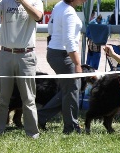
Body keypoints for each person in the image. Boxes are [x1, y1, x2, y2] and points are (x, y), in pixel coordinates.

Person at [0, 0, 43, 139]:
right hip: (6, 54)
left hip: (26, 55)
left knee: (28, 97)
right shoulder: (4, 2)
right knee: (2, 96)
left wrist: (22, 1)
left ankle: (32, 133)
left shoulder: (36, 1)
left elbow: (38, 16)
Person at [38, 0, 86, 134]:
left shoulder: (60, 5)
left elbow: (51, 29)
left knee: (68, 91)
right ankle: (71, 128)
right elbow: (69, 40)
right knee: (72, 91)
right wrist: (77, 64)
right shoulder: (69, 12)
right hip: (63, 55)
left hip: (54, 52)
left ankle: (41, 116)